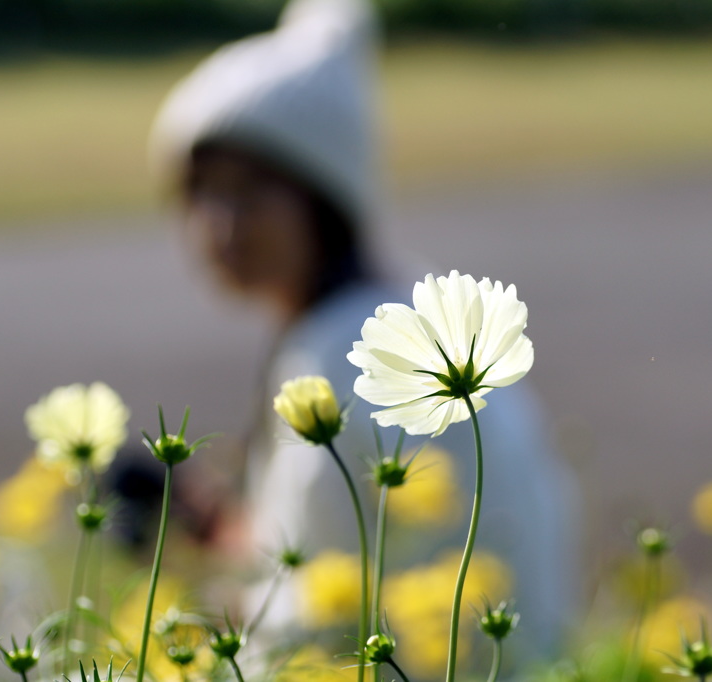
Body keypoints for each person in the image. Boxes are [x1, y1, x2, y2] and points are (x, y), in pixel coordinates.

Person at [149, 0, 578, 677]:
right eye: (202, 192)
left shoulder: (347, 358)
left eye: (251, 192)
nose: (220, 225)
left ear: (325, 203)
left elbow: (306, 621)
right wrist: (209, 526)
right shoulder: (386, 313)